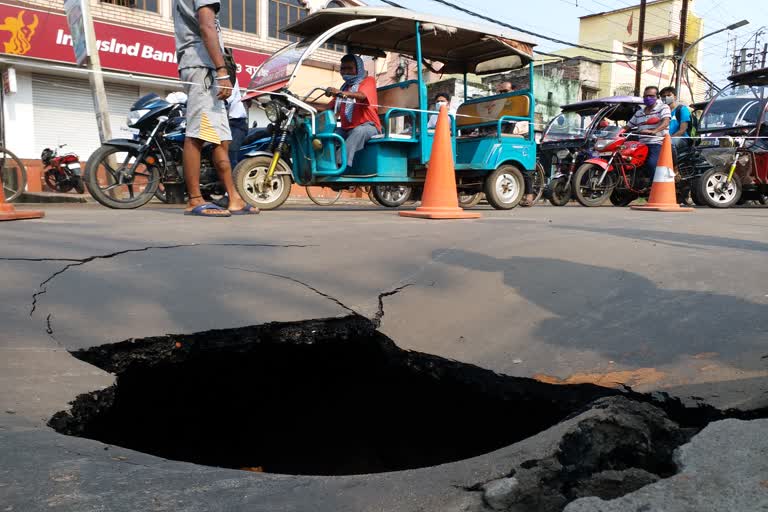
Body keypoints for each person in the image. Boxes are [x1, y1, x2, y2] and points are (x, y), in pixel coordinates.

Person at [172, 0, 256, 216]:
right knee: (198, 134)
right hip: (203, 66)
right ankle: (194, 199)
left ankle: (233, 197)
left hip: (203, 65)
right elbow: (206, 26)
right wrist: (221, 70)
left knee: (219, 139)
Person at [317, 54, 381, 168]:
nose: (345, 72)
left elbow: (361, 96)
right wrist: (301, 104)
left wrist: (341, 94)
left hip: (369, 127)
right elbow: (327, 108)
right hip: (346, 129)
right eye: (343, 69)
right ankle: (321, 163)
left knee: (359, 131)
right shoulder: (345, 88)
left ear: (358, 68)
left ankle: (338, 165)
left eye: (349, 68)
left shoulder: (368, 81)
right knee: (329, 134)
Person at [626, 85, 671, 183]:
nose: (647, 98)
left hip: (657, 142)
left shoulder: (663, 107)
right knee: (628, 162)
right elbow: (627, 126)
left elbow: (666, 122)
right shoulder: (639, 112)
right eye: (645, 96)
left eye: (651, 96)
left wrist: (654, 131)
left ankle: (654, 186)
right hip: (641, 144)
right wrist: (614, 133)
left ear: (657, 97)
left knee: (651, 163)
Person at [659, 86, 692, 159]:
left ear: (675, 97)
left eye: (669, 95)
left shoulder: (682, 109)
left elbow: (682, 130)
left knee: (668, 146)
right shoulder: (660, 112)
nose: (666, 97)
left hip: (680, 138)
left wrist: (668, 139)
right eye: (663, 96)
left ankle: (675, 167)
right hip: (663, 139)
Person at [226, 77, 248, 168]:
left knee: (230, 153)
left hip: (236, 124)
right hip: (224, 123)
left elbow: (226, 98)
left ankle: (232, 180)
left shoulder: (228, 75)